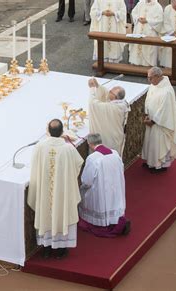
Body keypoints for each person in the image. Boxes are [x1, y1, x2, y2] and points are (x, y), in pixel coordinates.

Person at [27, 119, 84, 259]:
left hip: (45, 191)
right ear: (62, 132)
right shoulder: (68, 149)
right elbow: (78, 164)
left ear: (48, 131)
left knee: (46, 213)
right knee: (61, 213)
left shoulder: (40, 147)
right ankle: (60, 250)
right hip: (62, 192)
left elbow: (34, 166)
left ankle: (46, 247)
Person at [79, 133, 131, 237]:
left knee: (86, 194)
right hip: (115, 189)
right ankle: (114, 220)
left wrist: (82, 187)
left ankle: (101, 222)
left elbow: (87, 181)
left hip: (101, 191)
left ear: (89, 144)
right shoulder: (115, 153)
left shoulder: (93, 158)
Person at [142, 67, 176, 173]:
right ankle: (151, 163)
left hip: (160, 124)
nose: (149, 80)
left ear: (158, 77)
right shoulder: (153, 85)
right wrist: (147, 114)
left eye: (150, 78)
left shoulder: (167, 91)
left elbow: (165, 110)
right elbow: (148, 100)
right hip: (151, 120)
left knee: (159, 144)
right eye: (148, 77)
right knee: (151, 143)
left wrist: (153, 121)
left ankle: (160, 166)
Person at [87, 77, 129, 156]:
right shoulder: (122, 103)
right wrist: (97, 85)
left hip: (109, 138)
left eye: (111, 92)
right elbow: (106, 93)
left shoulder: (113, 108)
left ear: (115, 97)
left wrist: (92, 88)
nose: (109, 92)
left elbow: (93, 104)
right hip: (116, 136)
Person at [129, 0, 163, 66]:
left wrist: (147, 20)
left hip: (150, 32)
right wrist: (138, 18)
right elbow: (134, 12)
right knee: (137, 46)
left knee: (148, 49)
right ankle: (136, 65)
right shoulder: (140, 3)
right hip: (138, 30)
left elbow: (160, 20)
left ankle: (147, 66)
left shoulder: (157, 6)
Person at [159, 0, 176, 69]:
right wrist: (172, 32)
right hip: (171, 35)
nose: (175, 9)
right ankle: (168, 67)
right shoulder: (168, 8)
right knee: (168, 49)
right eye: (173, 7)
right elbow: (166, 22)